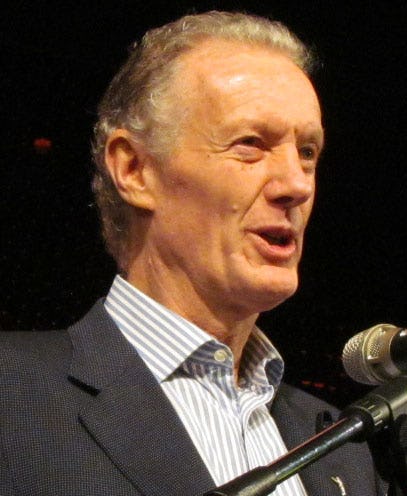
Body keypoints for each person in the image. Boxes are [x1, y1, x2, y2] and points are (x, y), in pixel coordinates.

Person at [0, 11, 384, 496]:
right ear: (135, 170)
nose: (297, 184)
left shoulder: (342, 449)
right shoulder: (12, 395)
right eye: (250, 144)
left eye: (307, 152)